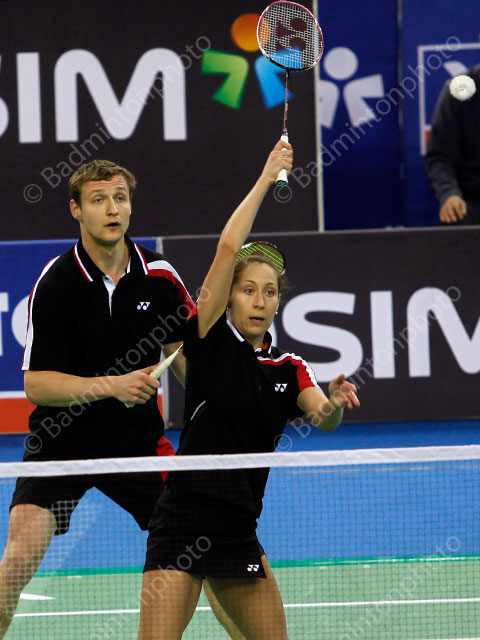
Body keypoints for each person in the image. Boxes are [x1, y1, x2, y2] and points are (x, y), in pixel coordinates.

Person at [0, 159, 243, 639]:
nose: (112, 209)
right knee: (15, 566)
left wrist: (221, 409)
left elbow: (183, 355)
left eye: (120, 198)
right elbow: (37, 385)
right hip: (60, 446)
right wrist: (111, 385)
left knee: (209, 549)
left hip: (139, 446)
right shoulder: (57, 283)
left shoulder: (159, 275)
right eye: (98, 200)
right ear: (76, 210)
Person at [138, 140, 359, 640]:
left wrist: (335, 404)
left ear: (279, 302)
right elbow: (226, 248)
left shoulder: (290, 368)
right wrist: (266, 176)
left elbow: (323, 417)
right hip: (181, 523)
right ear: (231, 298)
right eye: (248, 290)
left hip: (238, 529)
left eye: (270, 292)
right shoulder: (209, 342)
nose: (259, 301)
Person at [424, 65, 480, 225]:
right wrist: (449, 194)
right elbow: (440, 156)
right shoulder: (459, 90)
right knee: (456, 216)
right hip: (471, 201)